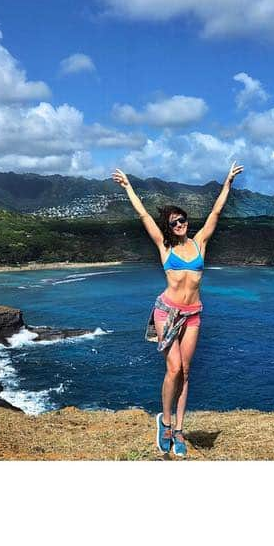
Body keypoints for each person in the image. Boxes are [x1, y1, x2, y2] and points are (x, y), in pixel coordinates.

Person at [112, 161, 244, 457]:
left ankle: (180, 430)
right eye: (174, 222)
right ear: (168, 227)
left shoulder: (199, 244)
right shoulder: (165, 247)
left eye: (182, 219)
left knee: (185, 371)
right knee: (172, 368)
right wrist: (128, 187)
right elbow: (143, 214)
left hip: (193, 314)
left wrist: (227, 184)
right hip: (166, 312)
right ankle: (166, 423)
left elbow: (216, 213)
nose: (180, 224)